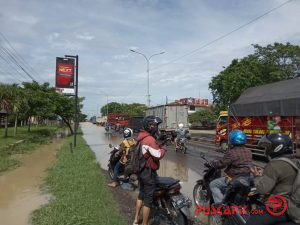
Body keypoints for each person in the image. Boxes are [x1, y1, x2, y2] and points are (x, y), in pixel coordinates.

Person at [246, 133, 300, 225]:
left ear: (277, 147)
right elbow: (284, 178)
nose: (267, 150)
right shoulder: (295, 161)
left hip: (276, 207)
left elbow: (262, 189)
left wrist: (256, 176)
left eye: (268, 147)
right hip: (292, 207)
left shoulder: (275, 164)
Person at [133, 116, 166, 225]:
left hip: (141, 171)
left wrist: (159, 144)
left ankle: (136, 219)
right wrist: (163, 148)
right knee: (148, 200)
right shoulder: (150, 139)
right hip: (148, 173)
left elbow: (148, 151)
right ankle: (145, 223)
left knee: (141, 195)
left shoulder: (141, 136)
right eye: (155, 125)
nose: (156, 127)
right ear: (149, 126)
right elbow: (157, 155)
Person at [207, 129, 252, 204]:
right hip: (247, 178)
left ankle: (221, 206)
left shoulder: (232, 152)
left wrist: (212, 163)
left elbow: (221, 164)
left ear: (233, 139)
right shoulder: (249, 151)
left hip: (234, 178)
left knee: (213, 184)